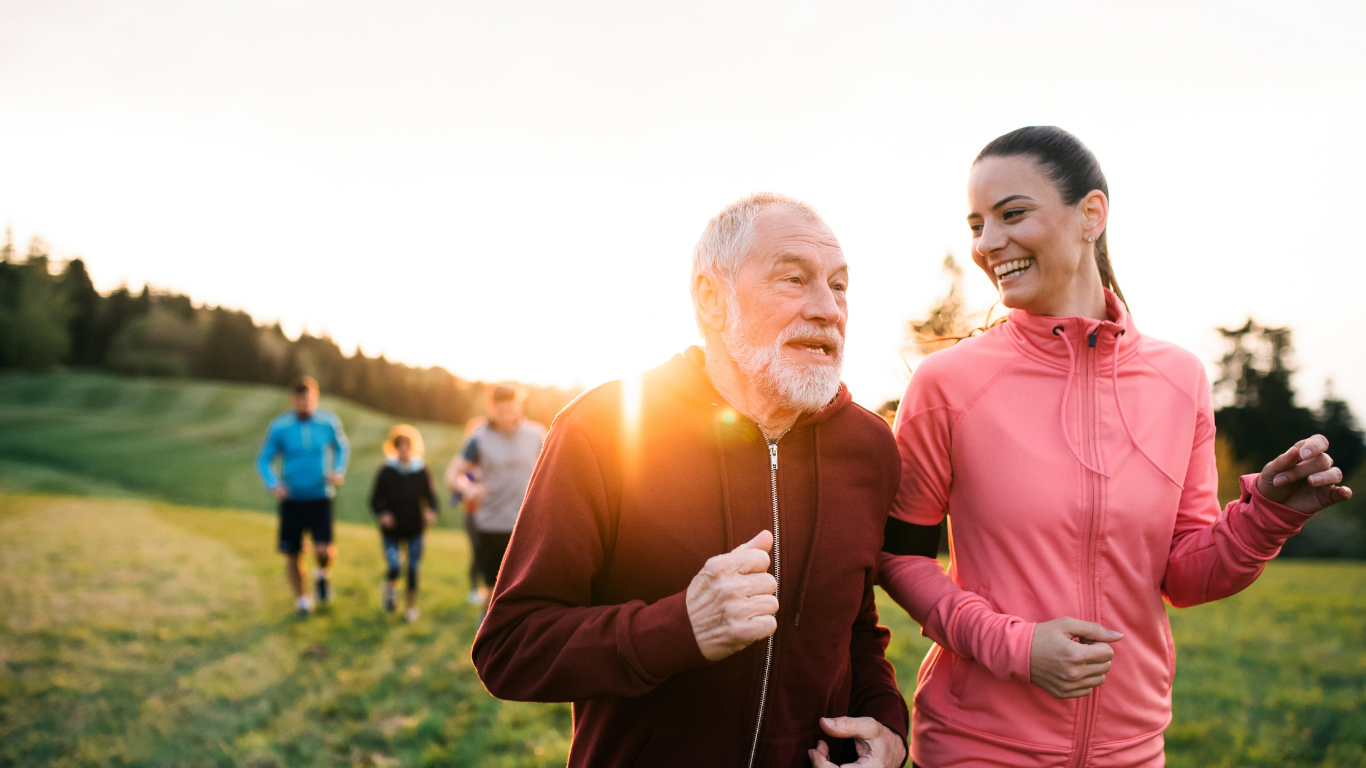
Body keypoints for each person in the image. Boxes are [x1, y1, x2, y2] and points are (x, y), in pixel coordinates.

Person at [877, 126, 1353, 767]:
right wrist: (1016, 647)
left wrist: (1267, 513)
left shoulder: (1179, 378)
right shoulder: (948, 384)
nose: (988, 244)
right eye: (976, 224)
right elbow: (902, 561)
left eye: (1011, 214)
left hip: (1131, 749)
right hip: (980, 746)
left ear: (1091, 215)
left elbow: (1184, 574)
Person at [473, 193, 908, 767]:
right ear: (711, 298)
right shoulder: (604, 429)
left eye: (840, 285)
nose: (828, 308)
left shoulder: (871, 448)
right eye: (793, 279)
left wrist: (887, 726)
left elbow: (853, 626)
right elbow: (511, 647)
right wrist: (678, 627)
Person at [256, 375, 350, 615]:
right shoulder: (281, 427)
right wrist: (273, 484)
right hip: (292, 499)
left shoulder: (327, 423)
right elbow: (264, 460)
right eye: (299, 400)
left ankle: (321, 573)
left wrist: (338, 471)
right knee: (293, 553)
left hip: (320, 496)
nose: (304, 405)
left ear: (315, 398)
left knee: (323, 550)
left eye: (308, 400)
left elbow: (342, 447)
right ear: (293, 400)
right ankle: (303, 600)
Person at [448, 387, 545, 613]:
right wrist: (467, 488)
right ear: (491, 409)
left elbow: (551, 469)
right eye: (500, 410)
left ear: (520, 406)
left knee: (523, 589)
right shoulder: (479, 437)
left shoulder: (536, 434)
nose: (506, 415)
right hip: (491, 523)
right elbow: (452, 475)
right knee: (492, 589)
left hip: (526, 524)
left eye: (511, 408)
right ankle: (485, 630)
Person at [370, 424, 439, 622]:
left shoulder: (421, 471)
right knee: (394, 565)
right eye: (400, 446)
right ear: (394, 447)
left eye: (407, 446)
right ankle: (390, 589)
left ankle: (410, 607)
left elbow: (432, 499)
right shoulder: (386, 471)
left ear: (413, 447)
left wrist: (431, 511)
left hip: (415, 528)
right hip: (391, 530)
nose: (404, 450)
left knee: (412, 568)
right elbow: (375, 500)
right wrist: (383, 513)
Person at [446, 416, 488, 606]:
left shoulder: (490, 460)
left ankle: (489, 589)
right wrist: (468, 487)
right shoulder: (467, 463)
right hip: (473, 514)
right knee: (478, 551)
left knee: (489, 552)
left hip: (493, 514)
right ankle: (474, 588)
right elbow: (456, 489)